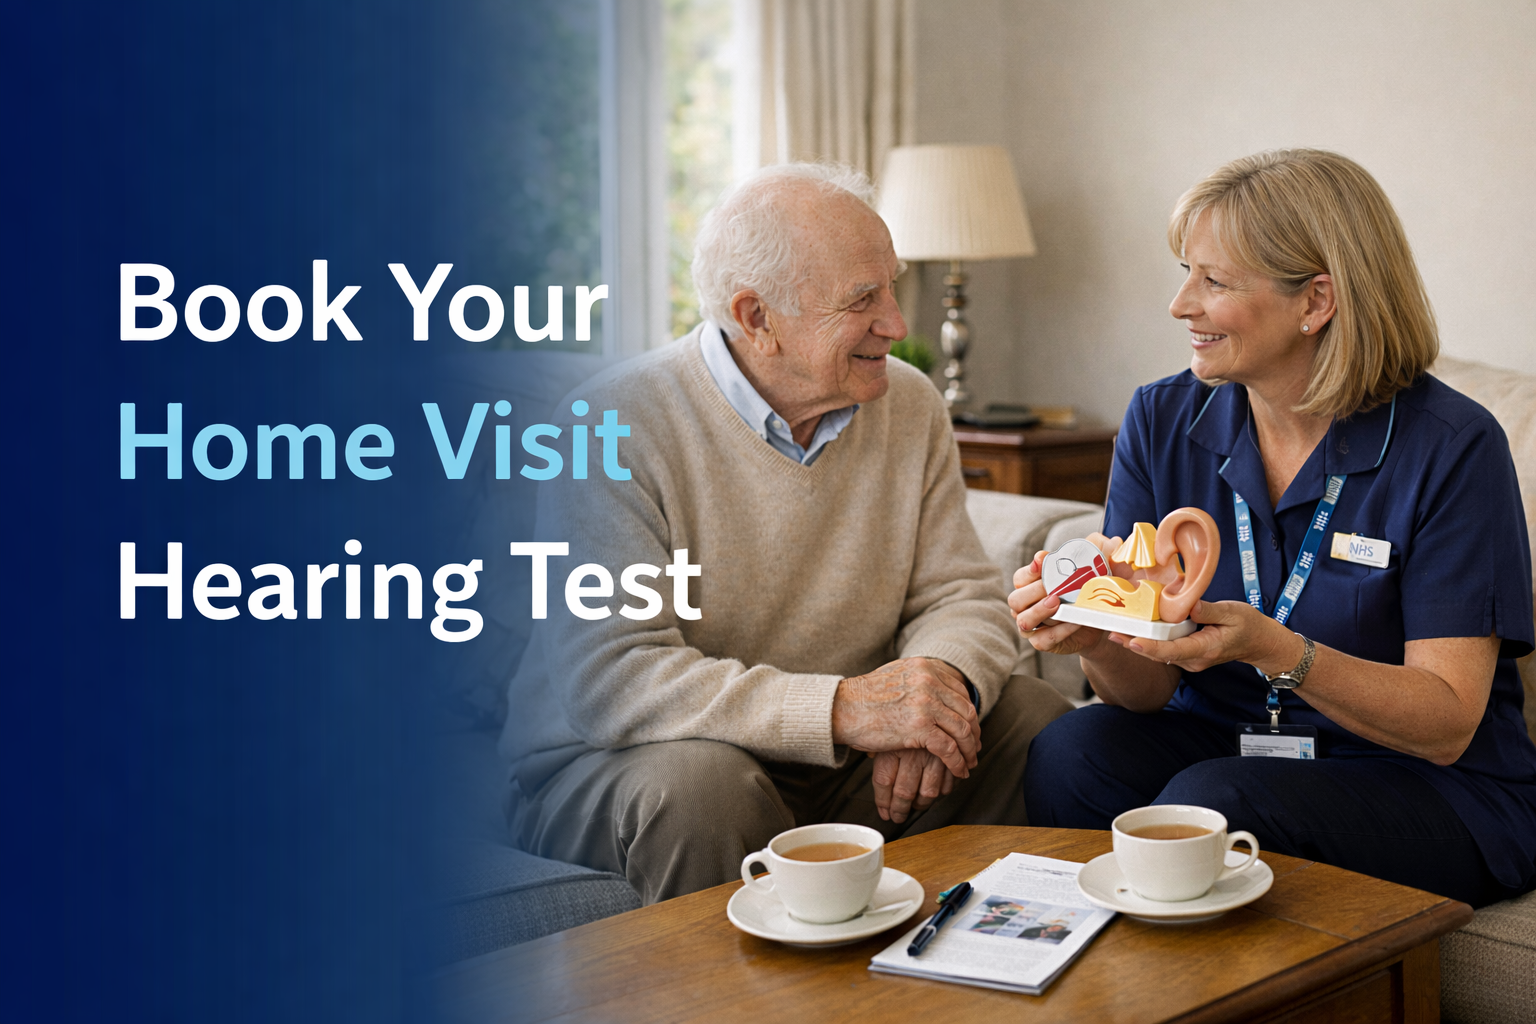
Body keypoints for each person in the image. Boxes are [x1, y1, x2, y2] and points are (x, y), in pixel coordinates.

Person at [501, 163, 1072, 904]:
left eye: (892, 286)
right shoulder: (610, 424)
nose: (898, 324)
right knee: (706, 787)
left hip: (840, 767)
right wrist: (847, 710)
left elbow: (961, 594)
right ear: (756, 317)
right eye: (863, 299)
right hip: (622, 763)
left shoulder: (911, 404)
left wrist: (934, 696)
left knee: (1034, 719)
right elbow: (614, 678)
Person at [1014, 149, 1536, 908]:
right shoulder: (1162, 419)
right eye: (1185, 272)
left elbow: (1448, 720)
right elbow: (1145, 691)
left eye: (1213, 280)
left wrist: (1273, 647)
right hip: (1224, 737)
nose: (1179, 304)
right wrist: (1097, 634)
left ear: (1316, 300)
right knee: (1071, 753)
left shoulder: (1452, 446)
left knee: (1217, 800)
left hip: (1422, 780)